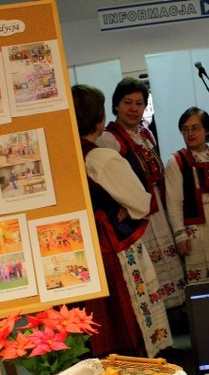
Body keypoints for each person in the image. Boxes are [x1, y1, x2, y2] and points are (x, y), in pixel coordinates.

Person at [71, 84, 172, 358]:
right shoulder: (100, 156)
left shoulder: (64, 155)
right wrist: (128, 204)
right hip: (111, 243)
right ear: (101, 119)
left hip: (78, 246)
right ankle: (137, 361)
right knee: (126, 310)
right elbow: (142, 202)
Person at [97, 77, 185, 310]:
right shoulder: (109, 138)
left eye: (139, 103)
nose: (133, 109)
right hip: (136, 213)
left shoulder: (146, 134)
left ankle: (173, 314)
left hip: (157, 206)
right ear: (116, 105)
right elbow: (108, 181)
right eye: (127, 102)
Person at [165, 107, 209, 283]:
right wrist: (180, 234)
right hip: (196, 227)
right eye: (185, 129)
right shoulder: (177, 161)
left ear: (207, 130)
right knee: (204, 279)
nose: (190, 133)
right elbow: (173, 201)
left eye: (195, 128)